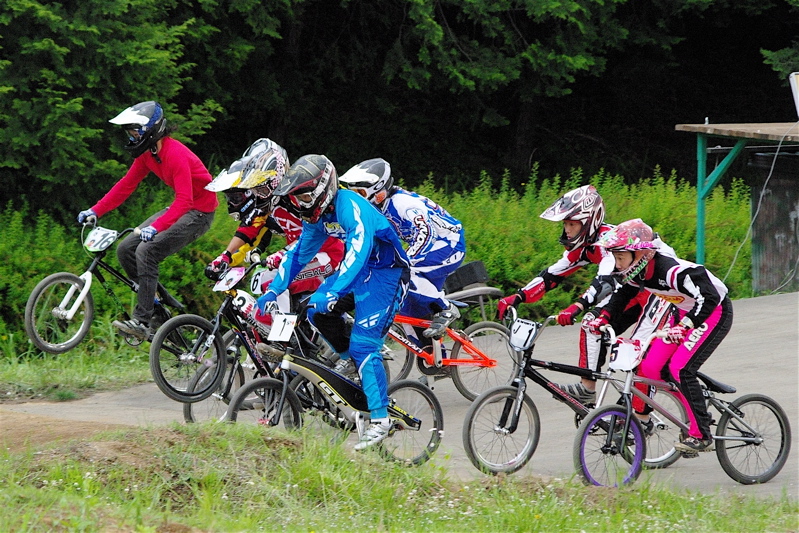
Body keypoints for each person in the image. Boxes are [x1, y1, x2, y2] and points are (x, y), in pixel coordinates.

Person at [256, 154, 410, 451]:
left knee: (364, 342)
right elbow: (299, 254)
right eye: (295, 197)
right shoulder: (319, 216)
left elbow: (358, 252)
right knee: (314, 311)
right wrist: (274, 290)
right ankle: (353, 361)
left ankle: (380, 420)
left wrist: (334, 292)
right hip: (360, 272)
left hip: (386, 275)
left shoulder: (350, 206)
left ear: (320, 189)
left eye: (301, 195)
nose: (298, 203)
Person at [496, 185, 676, 405]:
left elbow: (604, 282)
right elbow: (551, 275)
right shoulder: (585, 245)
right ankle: (587, 389)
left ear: (589, 221)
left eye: (572, 224)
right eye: (565, 224)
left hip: (660, 293)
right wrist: (518, 296)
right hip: (632, 292)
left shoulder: (610, 241)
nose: (567, 230)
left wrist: (577, 306)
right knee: (592, 325)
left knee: (638, 352)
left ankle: (635, 413)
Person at [587, 218, 733, 454]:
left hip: (712, 312)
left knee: (681, 369)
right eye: (614, 257)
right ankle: (668, 413)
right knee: (650, 368)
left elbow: (709, 297)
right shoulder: (636, 273)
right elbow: (623, 294)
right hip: (684, 313)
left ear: (641, 254)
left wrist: (685, 326)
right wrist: (604, 317)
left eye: (620, 257)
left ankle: (701, 433)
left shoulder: (672, 271)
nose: (616, 264)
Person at [77, 101, 217, 339]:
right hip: (181, 208)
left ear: (151, 129)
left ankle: (142, 320)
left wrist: (155, 227)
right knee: (125, 249)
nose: (131, 136)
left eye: (134, 131)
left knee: (146, 251)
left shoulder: (175, 154)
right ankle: (156, 304)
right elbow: (126, 186)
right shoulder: (147, 155)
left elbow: (185, 200)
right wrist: (95, 210)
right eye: (129, 132)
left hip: (199, 213)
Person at [203, 139, 344, 322]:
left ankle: (281, 336)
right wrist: (225, 256)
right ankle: (298, 327)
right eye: (254, 190)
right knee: (261, 279)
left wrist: (283, 253)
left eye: (260, 189)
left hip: (328, 254)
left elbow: (314, 233)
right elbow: (249, 230)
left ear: (274, 181)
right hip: (303, 256)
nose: (257, 195)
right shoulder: (270, 204)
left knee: (274, 282)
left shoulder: (297, 197)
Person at [339, 158, 466, 340]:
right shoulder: (378, 207)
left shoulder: (402, 203)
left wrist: (405, 261)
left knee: (404, 272)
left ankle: (445, 308)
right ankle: (433, 354)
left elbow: (426, 233)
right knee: (404, 303)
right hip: (430, 244)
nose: (357, 197)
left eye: (360, 192)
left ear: (377, 190)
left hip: (448, 243)